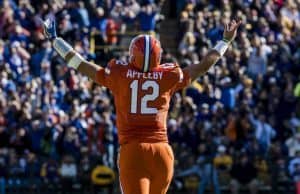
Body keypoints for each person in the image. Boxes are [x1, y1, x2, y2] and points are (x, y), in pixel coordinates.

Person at [41, 17, 240, 194]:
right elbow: (205, 64)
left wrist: (56, 40)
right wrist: (225, 41)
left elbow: (81, 64)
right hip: (162, 152)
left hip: (133, 151)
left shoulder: (119, 74)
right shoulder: (168, 75)